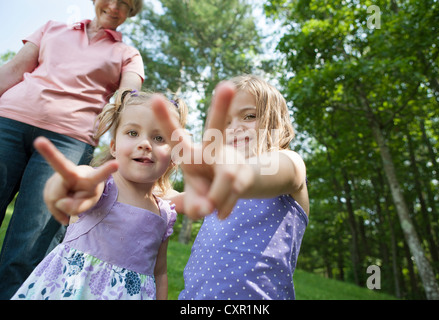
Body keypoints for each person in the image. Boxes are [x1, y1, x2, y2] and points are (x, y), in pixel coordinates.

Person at [0, 0, 145, 299]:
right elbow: (13, 69)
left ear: (131, 13)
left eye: (126, 4)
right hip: (9, 121)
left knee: (32, 238)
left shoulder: (127, 54)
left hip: (69, 139)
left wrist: (127, 119)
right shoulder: (52, 28)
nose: (115, 6)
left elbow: (128, 95)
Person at [11, 89, 187, 300]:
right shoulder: (101, 185)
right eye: (133, 133)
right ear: (113, 146)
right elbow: (84, 182)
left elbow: (159, 273)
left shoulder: (164, 213)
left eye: (159, 137)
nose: (145, 143)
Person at [153, 75, 309, 300]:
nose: (235, 127)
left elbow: (275, 170)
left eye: (249, 116)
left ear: (276, 123)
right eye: (225, 122)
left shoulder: (289, 162)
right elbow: (164, 198)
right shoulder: (214, 185)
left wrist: (236, 176)